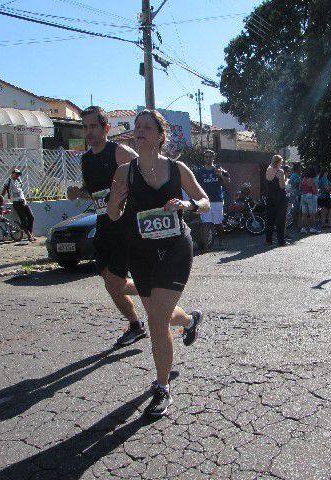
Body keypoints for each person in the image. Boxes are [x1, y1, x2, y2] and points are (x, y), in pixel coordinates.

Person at [107, 109, 209, 417]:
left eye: (147, 127)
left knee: (155, 321)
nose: (140, 131)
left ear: (160, 136)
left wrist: (187, 204)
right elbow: (113, 215)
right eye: (137, 127)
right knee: (158, 316)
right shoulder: (125, 172)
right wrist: (116, 200)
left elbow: (204, 202)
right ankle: (190, 321)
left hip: (176, 249)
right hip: (140, 253)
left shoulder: (177, 169)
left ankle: (162, 386)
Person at [65, 106, 147, 346]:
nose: (89, 132)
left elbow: (146, 178)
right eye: (85, 127)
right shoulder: (86, 159)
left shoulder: (120, 152)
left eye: (93, 126)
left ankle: (153, 292)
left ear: (106, 128)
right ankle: (136, 323)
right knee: (109, 281)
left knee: (116, 282)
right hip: (103, 224)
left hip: (126, 224)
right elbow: (94, 193)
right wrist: (78, 193)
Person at [193, 149, 230, 248]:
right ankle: (205, 245)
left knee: (218, 223)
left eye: (210, 156)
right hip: (204, 201)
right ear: (204, 158)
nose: (208, 158)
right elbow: (194, 185)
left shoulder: (219, 169)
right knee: (206, 223)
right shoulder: (199, 171)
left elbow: (227, 182)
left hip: (217, 200)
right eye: (206, 157)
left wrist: (220, 175)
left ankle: (221, 241)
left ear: (213, 158)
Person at [1, 168, 36, 242]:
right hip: (16, 202)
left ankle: (31, 233)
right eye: (16, 174)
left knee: (31, 217)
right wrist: (0, 199)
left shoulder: (19, 181)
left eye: (18, 174)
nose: (17, 176)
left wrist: (24, 200)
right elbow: (4, 191)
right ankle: (29, 235)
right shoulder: (9, 181)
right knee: (23, 219)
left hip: (23, 201)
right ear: (12, 174)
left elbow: (21, 191)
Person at [264, 155, 288, 245]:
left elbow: (268, 181)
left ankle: (268, 240)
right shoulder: (280, 171)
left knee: (270, 219)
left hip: (270, 196)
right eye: (281, 162)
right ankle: (281, 241)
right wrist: (285, 181)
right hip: (280, 197)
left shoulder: (268, 169)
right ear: (278, 162)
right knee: (281, 220)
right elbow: (282, 186)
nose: (281, 164)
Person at [299, 166, 319, 233]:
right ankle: (312, 228)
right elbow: (315, 191)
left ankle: (303, 228)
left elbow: (300, 188)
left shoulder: (304, 179)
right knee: (312, 213)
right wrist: (317, 189)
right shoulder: (312, 180)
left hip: (303, 196)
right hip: (311, 196)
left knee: (304, 214)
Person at [288, 164, 302, 230]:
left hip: (293, 194)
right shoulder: (296, 175)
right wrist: (300, 186)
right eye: (300, 168)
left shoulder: (292, 175)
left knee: (294, 210)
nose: (301, 169)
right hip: (296, 194)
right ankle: (296, 225)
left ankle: (294, 224)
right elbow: (297, 184)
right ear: (298, 168)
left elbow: (290, 183)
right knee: (297, 210)